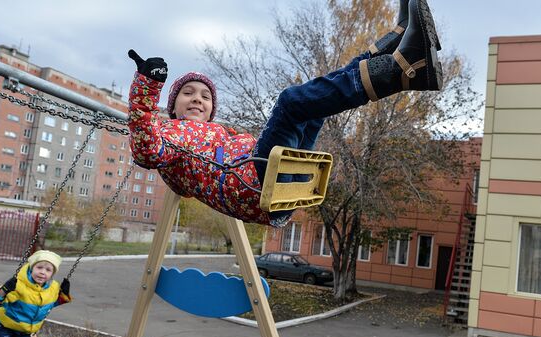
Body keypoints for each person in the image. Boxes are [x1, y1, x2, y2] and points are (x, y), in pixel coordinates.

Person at [127, 0, 441, 227]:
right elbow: (145, 149)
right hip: (256, 184)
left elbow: (186, 186)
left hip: (274, 180)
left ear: (212, 109)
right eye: (188, 93)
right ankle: (405, 70)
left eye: (205, 96)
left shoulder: (216, 134)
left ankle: (392, 44)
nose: (198, 99)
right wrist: (147, 85)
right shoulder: (167, 136)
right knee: (291, 102)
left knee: (315, 102)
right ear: (172, 106)